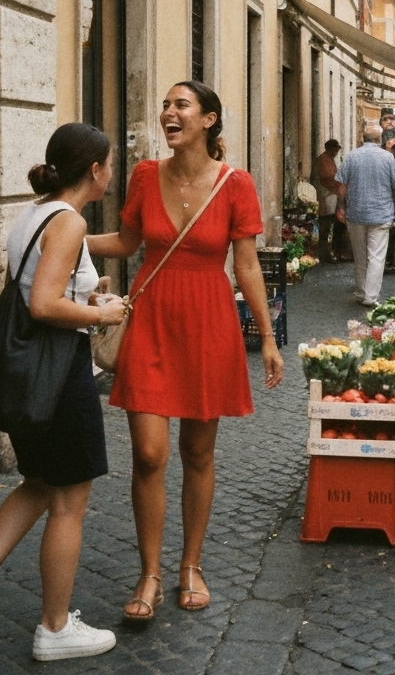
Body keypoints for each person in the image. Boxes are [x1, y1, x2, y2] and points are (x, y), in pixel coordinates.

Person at [88, 81, 284, 622]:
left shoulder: (235, 184)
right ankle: (149, 572)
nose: (168, 113)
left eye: (181, 106)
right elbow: (127, 243)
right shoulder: (145, 175)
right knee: (149, 455)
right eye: (166, 106)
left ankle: (190, 565)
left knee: (198, 453)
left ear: (208, 120)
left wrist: (267, 337)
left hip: (208, 323)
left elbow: (247, 265)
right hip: (151, 321)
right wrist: (64, 234)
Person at [0, 123, 125, 661]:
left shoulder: (32, 215)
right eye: (110, 165)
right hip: (60, 376)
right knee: (69, 500)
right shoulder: (70, 221)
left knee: (40, 482)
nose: (111, 174)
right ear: (94, 170)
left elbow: (32, 287)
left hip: (32, 377)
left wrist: (88, 294)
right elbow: (44, 305)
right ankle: (54, 627)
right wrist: (102, 314)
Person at [335, 124, 395, 307]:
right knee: (376, 256)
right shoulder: (387, 157)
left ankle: (361, 291)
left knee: (359, 255)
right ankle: (371, 296)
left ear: (362, 138)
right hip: (381, 214)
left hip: (356, 213)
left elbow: (342, 186)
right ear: (379, 140)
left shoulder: (352, 156)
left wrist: (341, 207)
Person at [312, 139, 344, 262]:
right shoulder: (324, 160)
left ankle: (329, 252)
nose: (336, 152)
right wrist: (339, 186)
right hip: (326, 195)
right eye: (335, 149)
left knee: (329, 225)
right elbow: (328, 178)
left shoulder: (328, 159)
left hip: (330, 195)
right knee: (325, 226)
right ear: (330, 149)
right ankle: (324, 253)